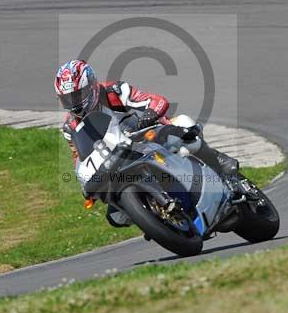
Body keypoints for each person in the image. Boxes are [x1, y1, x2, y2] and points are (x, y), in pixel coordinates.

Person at [54, 59, 239, 226]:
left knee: (184, 125)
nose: (74, 103)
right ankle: (156, 218)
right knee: (116, 216)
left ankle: (221, 167)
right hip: (118, 159)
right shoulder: (70, 127)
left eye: (78, 95)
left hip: (148, 135)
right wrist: (86, 184)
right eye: (67, 99)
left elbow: (156, 101)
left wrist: (149, 116)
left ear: (92, 86)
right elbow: (79, 158)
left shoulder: (114, 92)